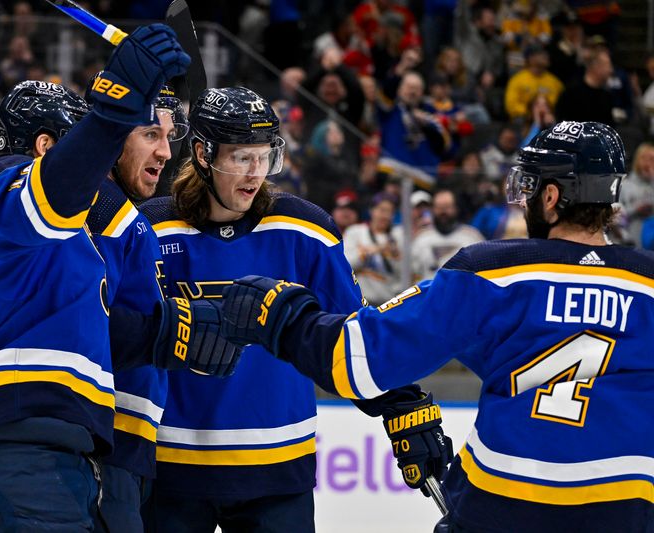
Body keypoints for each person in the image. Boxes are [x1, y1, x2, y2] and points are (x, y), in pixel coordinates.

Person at [221, 121, 654, 532]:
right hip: (629, 508)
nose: (523, 201)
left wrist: (282, 316)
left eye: (531, 188)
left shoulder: (491, 272)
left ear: (552, 197)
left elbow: (356, 359)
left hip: (507, 501)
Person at [140, 87, 450, 532]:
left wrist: (402, 404)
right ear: (202, 154)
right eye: (241, 157)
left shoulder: (304, 229)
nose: (255, 174)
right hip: (171, 469)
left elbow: (352, 338)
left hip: (279, 470)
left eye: (265, 157)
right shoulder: (150, 228)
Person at [0, 24, 191, 531]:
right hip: (26, 443)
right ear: (47, 147)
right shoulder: (17, 195)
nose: (99, 161)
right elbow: (60, 189)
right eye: (83, 145)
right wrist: (115, 106)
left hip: (27, 439)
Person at [83, 84, 241, 532]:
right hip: (100, 445)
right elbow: (78, 324)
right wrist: (176, 331)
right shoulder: (101, 209)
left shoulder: (125, 213)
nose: (166, 152)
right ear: (113, 134)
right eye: (151, 134)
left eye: (170, 137)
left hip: (128, 449)